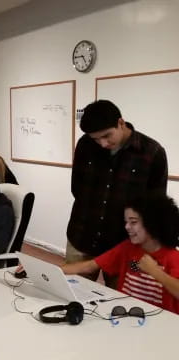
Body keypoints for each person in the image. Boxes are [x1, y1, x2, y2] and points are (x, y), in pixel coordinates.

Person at [66, 100, 168, 285]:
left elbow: (156, 205)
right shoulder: (85, 145)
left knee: (119, 301)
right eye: (96, 139)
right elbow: (77, 187)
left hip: (123, 244)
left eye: (107, 136)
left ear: (121, 123)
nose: (103, 143)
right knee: (72, 295)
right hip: (81, 236)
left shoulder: (152, 152)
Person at [62, 193, 179, 314]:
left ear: (153, 224)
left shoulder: (173, 257)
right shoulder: (127, 248)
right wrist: (54, 271)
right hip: (125, 315)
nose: (127, 227)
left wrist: (155, 272)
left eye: (133, 222)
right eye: (126, 222)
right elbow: (90, 266)